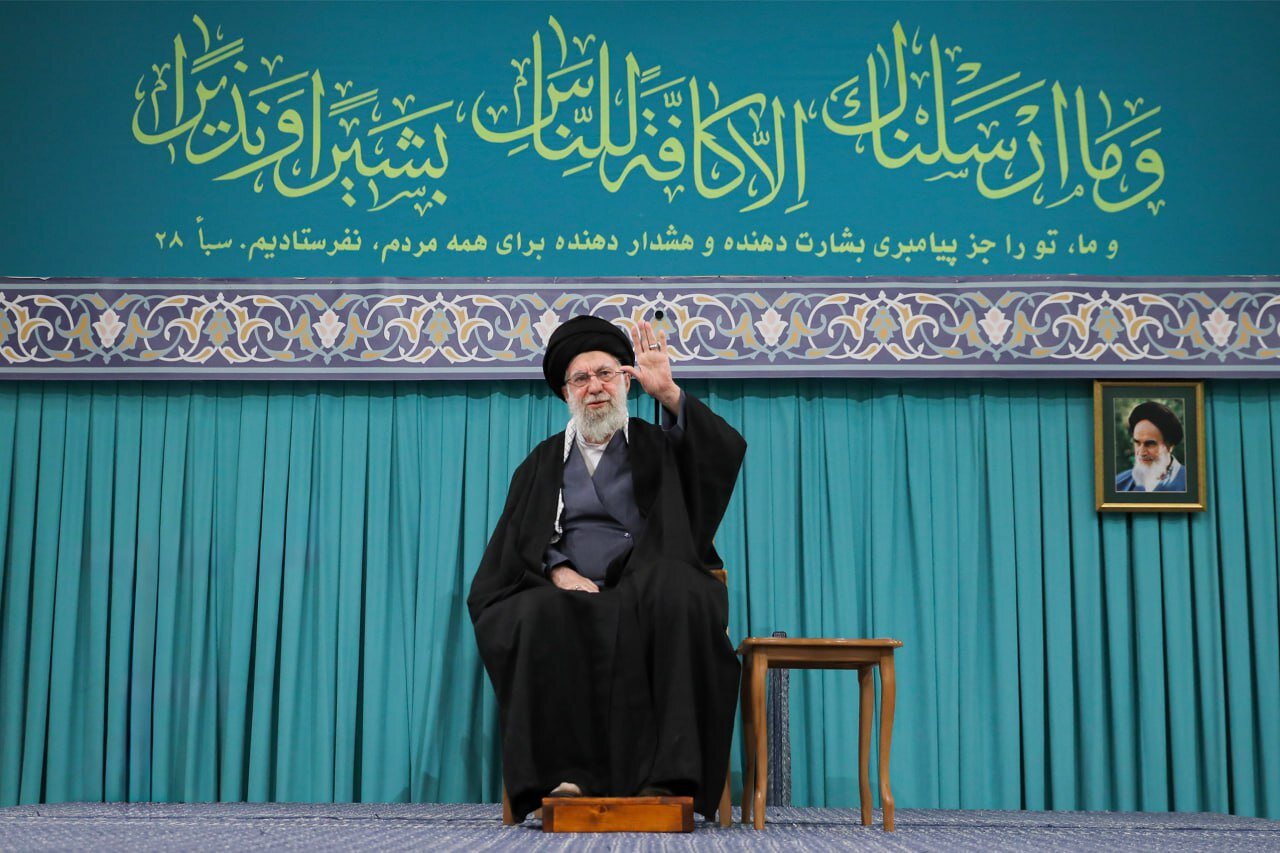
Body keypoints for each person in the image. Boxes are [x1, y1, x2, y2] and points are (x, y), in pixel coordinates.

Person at [467, 315, 746, 822]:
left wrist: (670, 394)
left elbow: (720, 456)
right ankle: (564, 779)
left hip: (649, 582)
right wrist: (557, 570)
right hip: (570, 592)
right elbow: (516, 547)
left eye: (605, 373)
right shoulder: (541, 463)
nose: (594, 386)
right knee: (534, 613)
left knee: (678, 593)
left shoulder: (658, 444)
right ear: (565, 393)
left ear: (626, 382)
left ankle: (668, 779)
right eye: (581, 378)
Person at [1115, 400, 1187, 492]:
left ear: (1170, 446)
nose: (1141, 452)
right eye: (1137, 443)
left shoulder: (1192, 484)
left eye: (1150, 444)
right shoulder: (1119, 484)